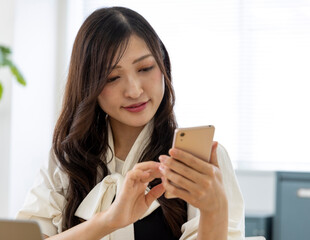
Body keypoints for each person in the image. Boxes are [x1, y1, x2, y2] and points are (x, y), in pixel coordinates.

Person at [16, 6, 244, 240]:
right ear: (88, 84)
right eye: (112, 78)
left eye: (145, 68)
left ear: (163, 64)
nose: (135, 90)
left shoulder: (202, 162)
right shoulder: (65, 161)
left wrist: (214, 210)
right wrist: (109, 220)